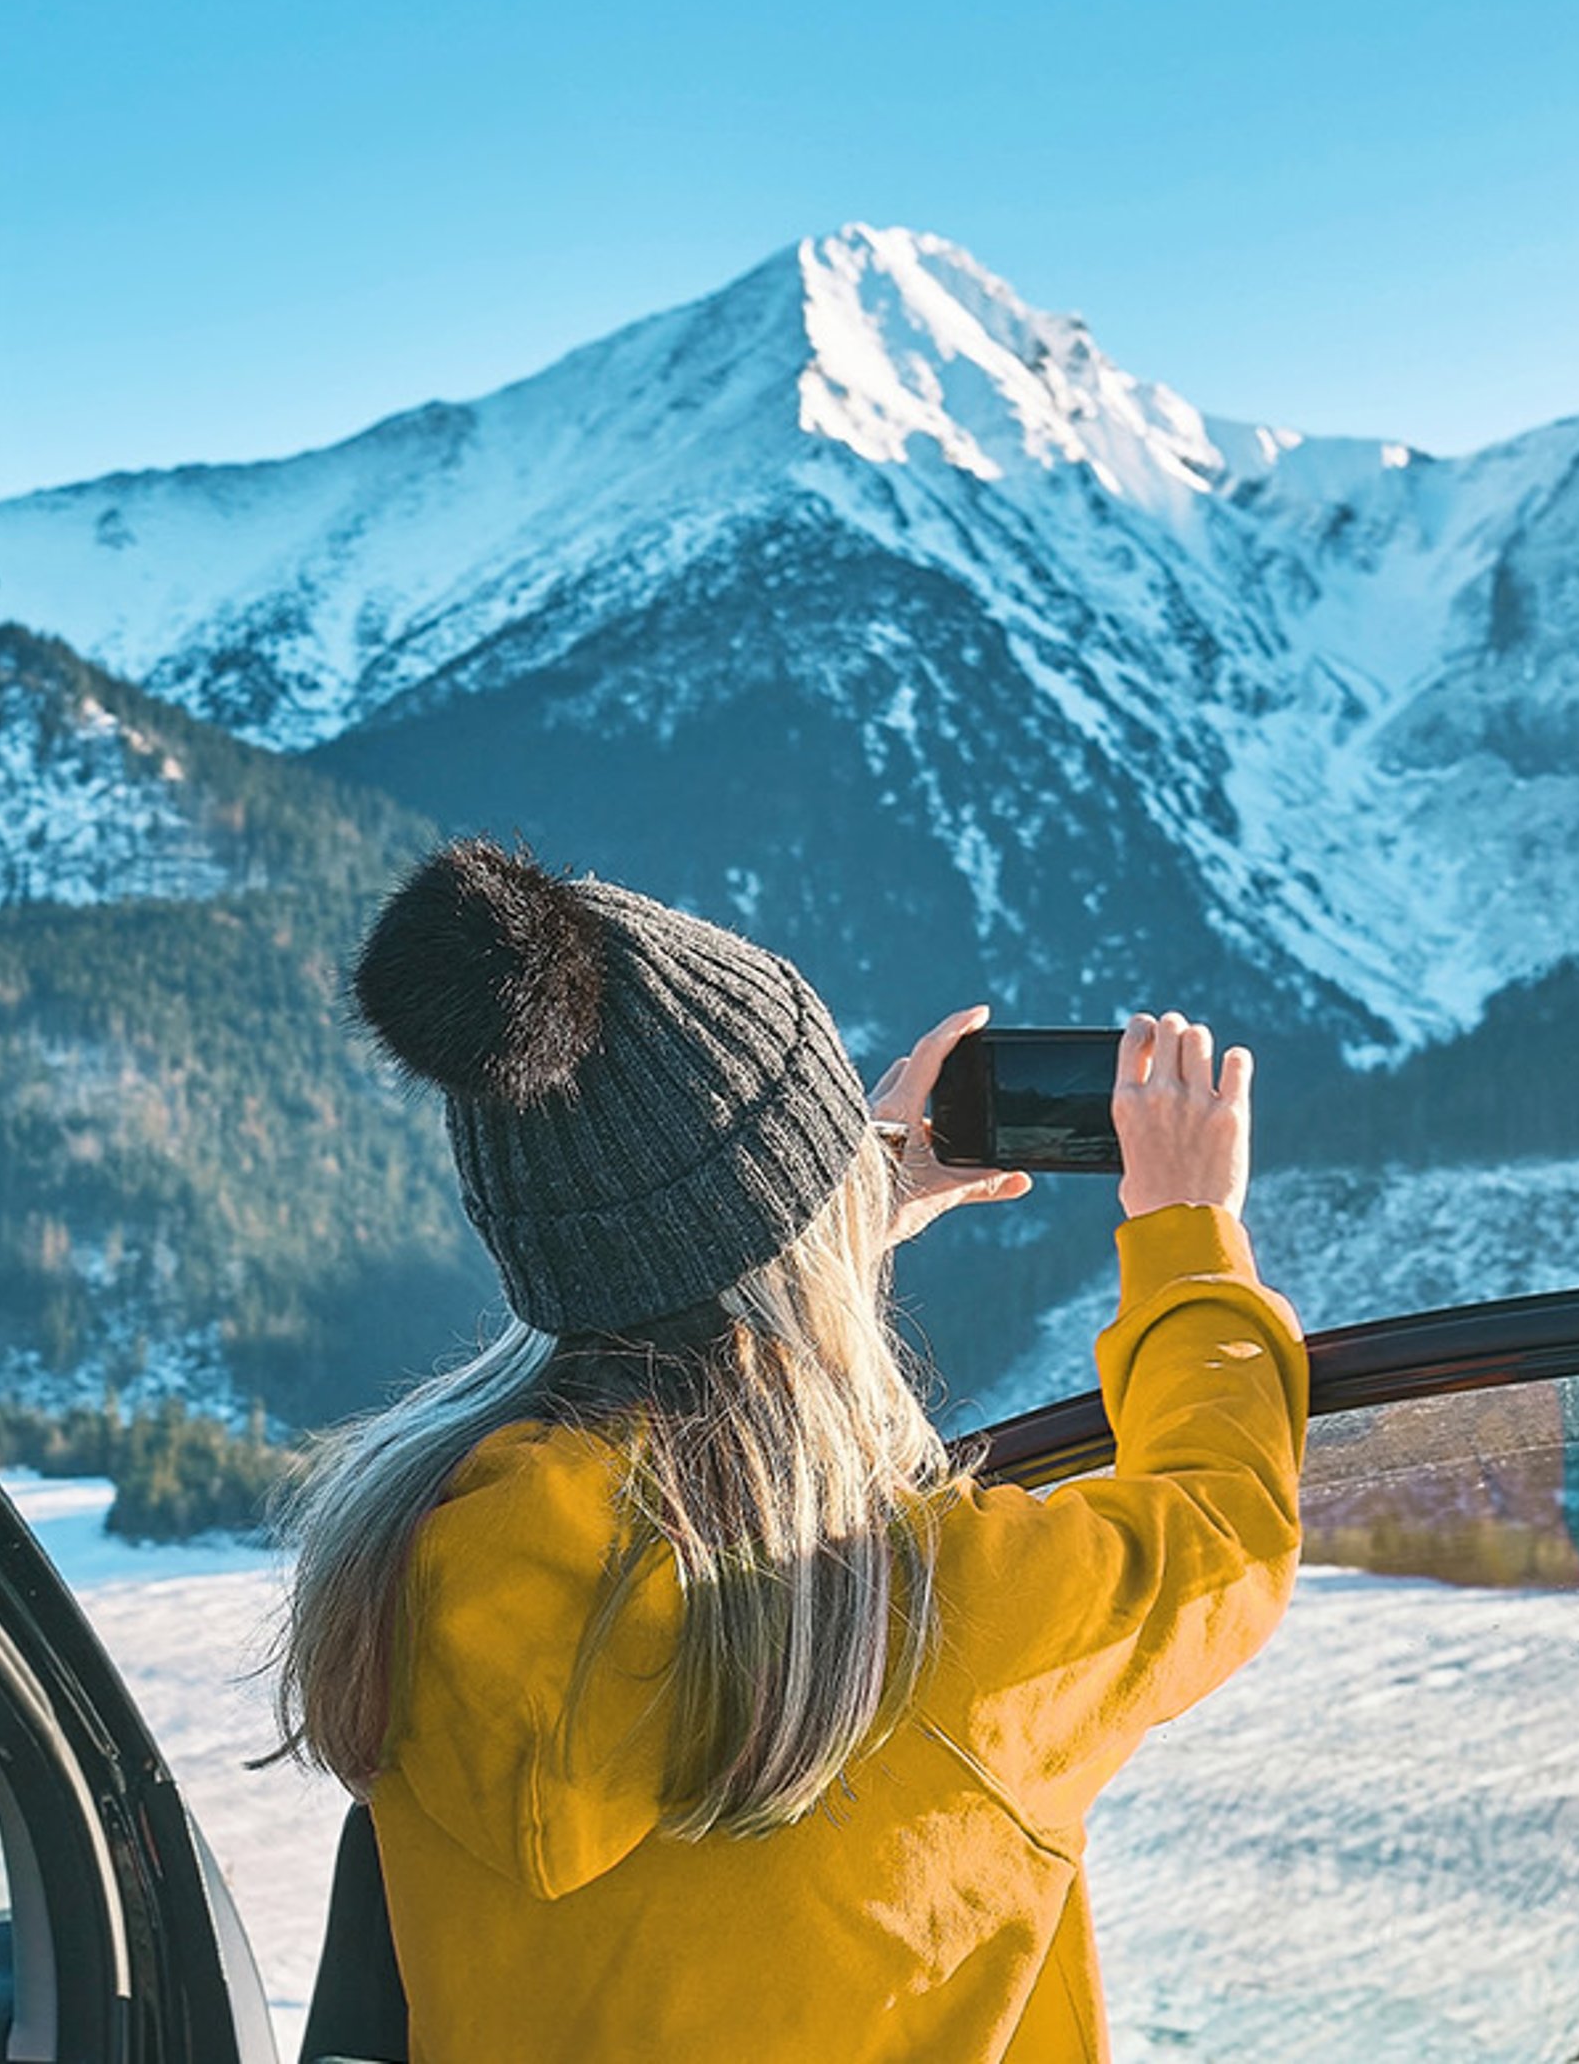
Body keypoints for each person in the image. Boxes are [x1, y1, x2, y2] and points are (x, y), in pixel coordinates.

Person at [273, 840, 1309, 2062]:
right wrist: (1187, 1232)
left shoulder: (413, 1574)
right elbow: (1222, 1534)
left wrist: (833, 1207)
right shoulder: (943, 1617)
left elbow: (679, 1309)